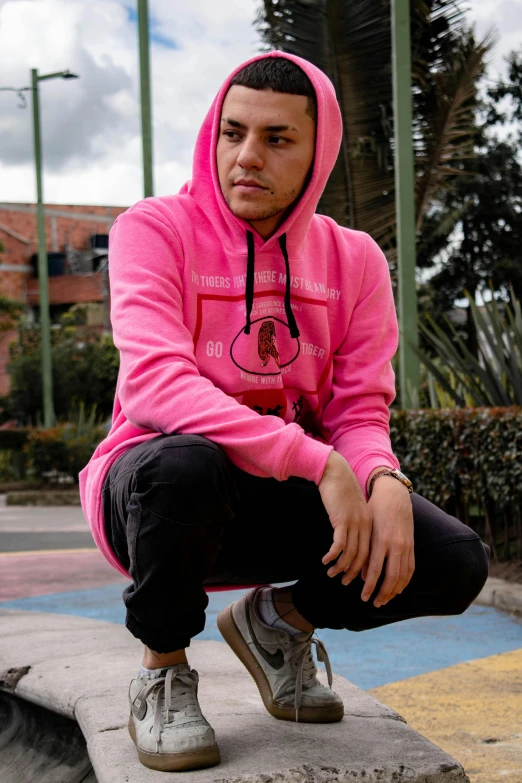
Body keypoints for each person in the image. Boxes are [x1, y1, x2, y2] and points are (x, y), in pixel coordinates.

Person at [79, 52, 489, 773]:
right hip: (154, 497)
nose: (246, 157)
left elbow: (359, 406)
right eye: (232, 132)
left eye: (276, 139)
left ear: (316, 150)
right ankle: (163, 671)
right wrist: (317, 459)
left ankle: (276, 625)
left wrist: (381, 476)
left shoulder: (353, 259)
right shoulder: (154, 229)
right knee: (183, 460)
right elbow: (156, 386)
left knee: (452, 560)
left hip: (278, 496)